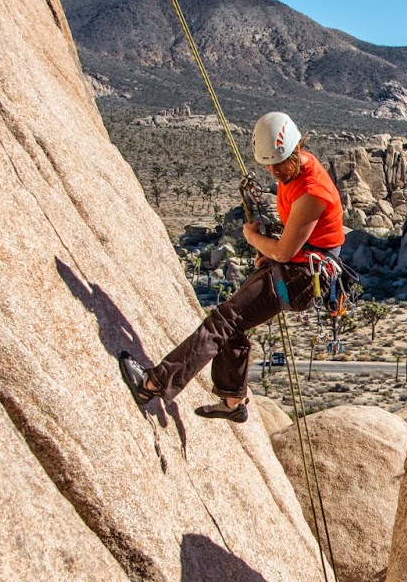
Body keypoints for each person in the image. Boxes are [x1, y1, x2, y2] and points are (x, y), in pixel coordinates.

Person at [118, 111, 346, 423]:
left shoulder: (311, 192)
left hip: (301, 278)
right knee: (232, 323)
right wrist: (276, 250)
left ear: (295, 151)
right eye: (269, 165)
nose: (273, 171)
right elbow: (291, 241)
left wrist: (256, 240)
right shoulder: (296, 168)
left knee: (223, 321)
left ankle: (153, 384)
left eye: (279, 166)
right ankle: (232, 401)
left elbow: (284, 250)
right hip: (296, 266)